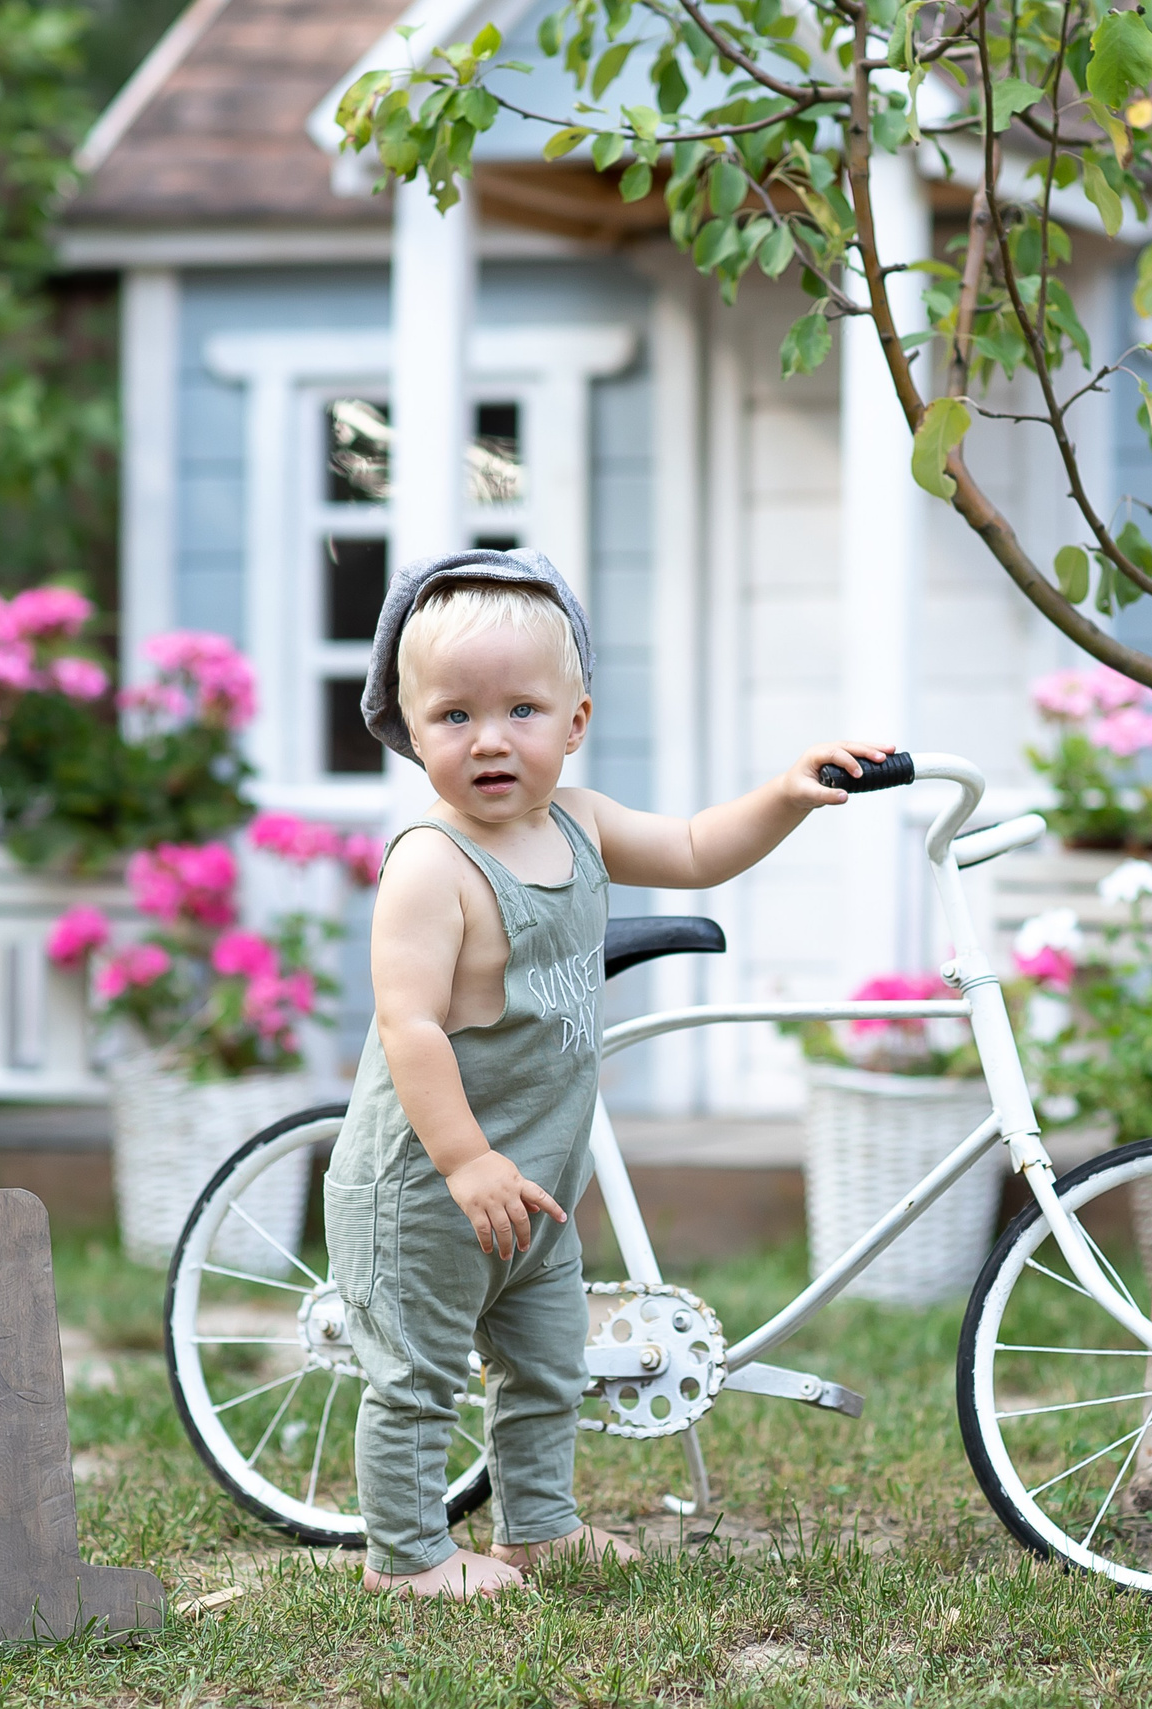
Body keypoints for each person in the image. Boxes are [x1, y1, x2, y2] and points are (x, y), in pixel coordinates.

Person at [328, 547, 891, 1599]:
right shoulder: (430, 863)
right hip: (427, 1186)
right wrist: (464, 1160)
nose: (490, 739)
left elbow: (689, 845)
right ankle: (405, 1556)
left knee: (546, 1365)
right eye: (453, 716)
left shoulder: (578, 821)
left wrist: (782, 794)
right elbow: (407, 1024)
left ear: (575, 719)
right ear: (408, 730)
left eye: (521, 711)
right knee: (415, 1379)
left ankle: (536, 1527)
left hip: (536, 1182)